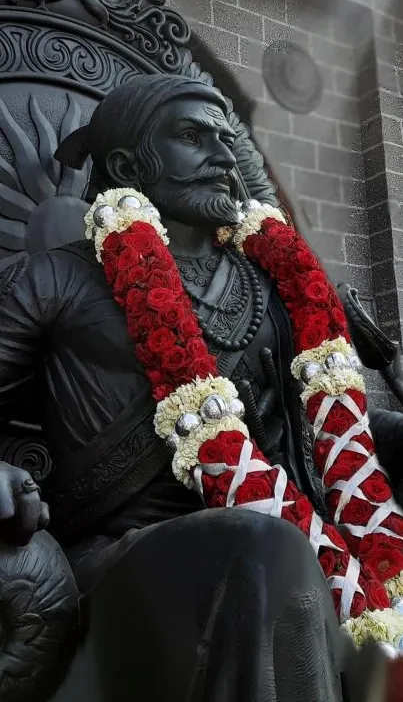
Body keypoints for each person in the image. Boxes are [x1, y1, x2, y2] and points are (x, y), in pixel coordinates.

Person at [0, 74, 392, 702]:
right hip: (122, 552)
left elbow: (333, 430)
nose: (223, 155)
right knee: (261, 544)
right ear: (129, 164)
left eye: (226, 138)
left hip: (299, 538)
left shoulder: (276, 286)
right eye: (192, 137)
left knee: (282, 546)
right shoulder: (56, 280)